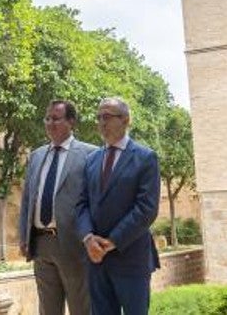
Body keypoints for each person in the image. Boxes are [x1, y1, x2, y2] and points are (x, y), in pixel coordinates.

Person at [75, 97, 160, 315]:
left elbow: (146, 209)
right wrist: (87, 238)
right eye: (99, 117)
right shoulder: (92, 160)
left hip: (130, 258)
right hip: (96, 260)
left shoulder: (145, 158)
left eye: (107, 117)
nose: (102, 123)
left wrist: (112, 242)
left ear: (125, 120)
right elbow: (81, 204)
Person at [18, 100, 99, 315]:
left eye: (56, 118)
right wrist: (24, 236)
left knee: (81, 308)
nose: (50, 123)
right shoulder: (36, 156)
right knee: (47, 309)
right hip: (41, 243)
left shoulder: (90, 154)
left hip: (74, 244)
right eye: (47, 118)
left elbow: (95, 201)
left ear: (71, 121)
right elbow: (28, 199)